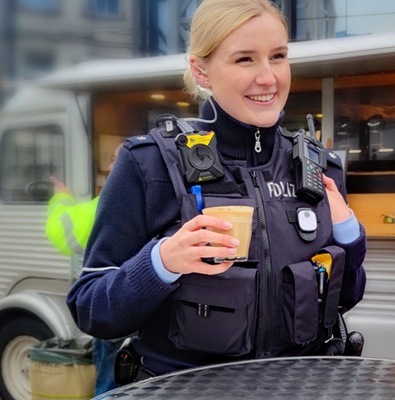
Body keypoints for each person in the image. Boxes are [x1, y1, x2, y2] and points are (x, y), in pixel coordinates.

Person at [66, 0, 366, 381]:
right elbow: (90, 308)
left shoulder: (320, 167)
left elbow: (346, 297)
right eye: (245, 59)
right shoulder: (149, 164)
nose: (268, 78)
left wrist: (349, 237)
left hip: (299, 386)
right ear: (201, 70)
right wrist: (162, 262)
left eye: (278, 56)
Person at [46, 143, 123, 395]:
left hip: (113, 311)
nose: (110, 166)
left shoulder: (106, 204)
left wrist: (61, 196)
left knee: (109, 385)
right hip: (153, 319)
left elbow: (62, 232)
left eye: (115, 159)